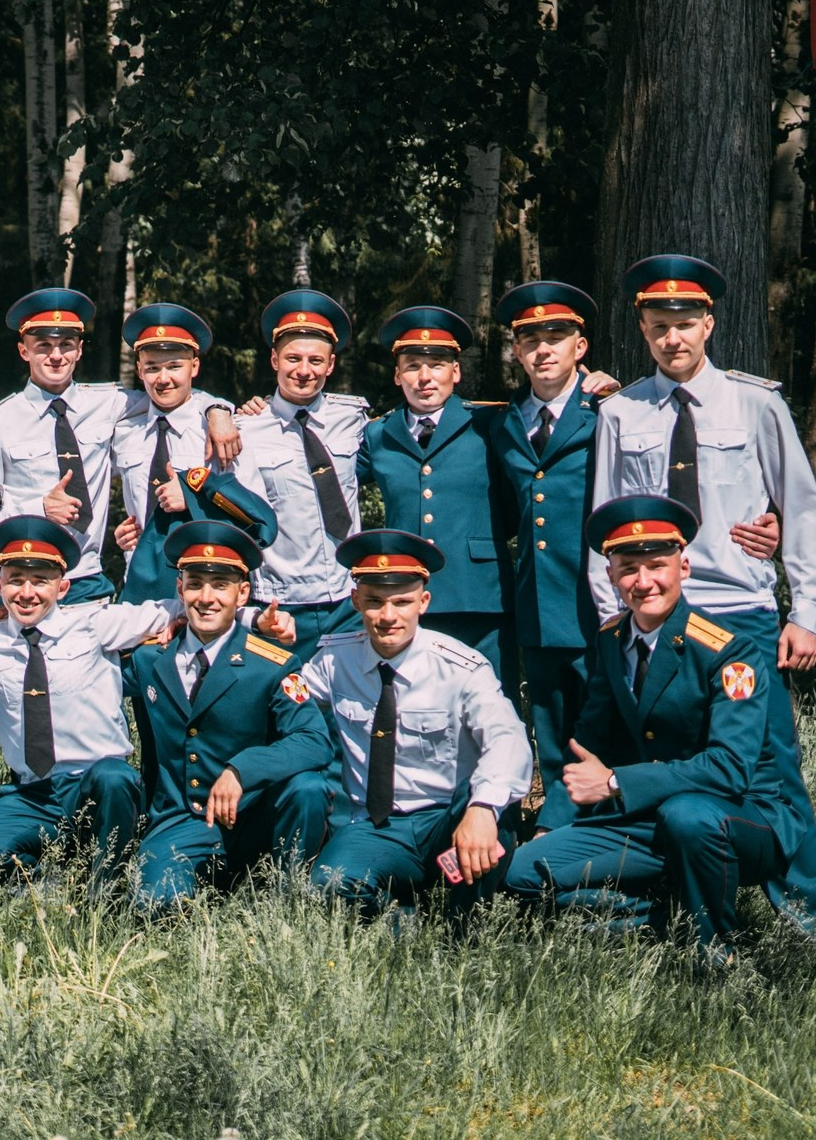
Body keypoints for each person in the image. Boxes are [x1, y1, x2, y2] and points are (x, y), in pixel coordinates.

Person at [585, 253, 816, 921]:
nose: (673, 338)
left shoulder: (755, 404)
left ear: (710, 323)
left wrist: (807, 611)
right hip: (655, 613)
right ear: (642, 328)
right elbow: (601, 521)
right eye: (659, 324)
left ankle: (811, 921)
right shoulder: (622, 413)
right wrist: (619, 620)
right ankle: (671, 901)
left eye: (686, 323)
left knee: (770, 767)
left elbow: (802, 508)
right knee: (663, 757)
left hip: (739, 611)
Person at [505, 497, 816, 960]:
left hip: (743, 816)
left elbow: (730, 769)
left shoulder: (729, 651)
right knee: (523, 873)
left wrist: (615, 782)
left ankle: (714, 953)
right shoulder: (612, 641)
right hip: (652, 814)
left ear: (685, 566)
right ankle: (666, 916)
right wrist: (550, 824)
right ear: (611, 575)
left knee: (688, 816)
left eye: (657, 565)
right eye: (629, 567)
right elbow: (588, 745)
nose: (643, 581)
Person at [297, 529, 532, 911]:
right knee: (329, 884)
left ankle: (461, 930)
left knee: (496, 825)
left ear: (423, 602)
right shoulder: (333, 661)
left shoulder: (460, 667)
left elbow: (508, 740)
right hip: (377, 828)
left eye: (402, 602)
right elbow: (284, 704)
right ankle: (403, 920)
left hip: (448, 821)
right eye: (374, 602)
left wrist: (483, 809)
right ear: (356, 600)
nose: (388, 617)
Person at [121, 521, 333, 910]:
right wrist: (7, 621)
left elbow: (315, 741)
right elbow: (77, 662)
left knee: (308, 789)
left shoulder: (272, 664)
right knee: (155, 908)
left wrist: (242, 770)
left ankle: (289, 897)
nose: (207, 597)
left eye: (221, 585)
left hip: (255, 819)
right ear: (179, 588)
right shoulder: (150, 659)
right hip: (181, 819)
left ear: (243, 593)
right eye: (196, 582)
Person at [0, 519, 169, 884]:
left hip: (98, 787)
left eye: (40, 581)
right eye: (16, 579)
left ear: (63, 586)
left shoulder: (94, 624)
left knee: (115, 776)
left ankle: (106, 888)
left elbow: (180, 607)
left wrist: (255, 618)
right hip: (34, 792)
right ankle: (49, 888)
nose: (27, 592)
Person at [480, 281, 611, 829]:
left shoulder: (611, 407)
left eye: (557, 335)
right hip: (539, 602)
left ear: (580, 347)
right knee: (552, 730)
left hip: (603, 599)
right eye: (529, 338)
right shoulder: (502, 422)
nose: (543, 349)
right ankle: (558, 831)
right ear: (516, 351)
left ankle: (610, 827)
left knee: (607, 726)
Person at [356, 307, 515, 683]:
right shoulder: (377, 435)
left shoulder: (489, 423)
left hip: (479, 595)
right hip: (407, 598)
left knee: (492, 707)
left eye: (438, 364)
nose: (425, 377)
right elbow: (325, 480)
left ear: (455, 372)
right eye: (412, 365)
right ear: (397, 375)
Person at [0, 289, 131, 606]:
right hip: (22, 581)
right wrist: (38, 510)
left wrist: (215, 410)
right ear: (24, 351)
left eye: (66, 345)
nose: (55, 356)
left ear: (80, 350)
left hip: (85, 580)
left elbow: (174, 398)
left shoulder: (110, 404)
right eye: (43, 346)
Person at [228, 289, 368, 650]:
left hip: (348, 598)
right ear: (274, 359)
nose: (304, 371)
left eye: (315, 361)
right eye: (293, 358)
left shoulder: (354, 418)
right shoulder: (245, 430)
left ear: (331, 365)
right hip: (280, 602)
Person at [110, 305, 252, 604]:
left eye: (174, 366)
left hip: (204, 587)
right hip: (139, 584)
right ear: (139, 370)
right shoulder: (124, 430)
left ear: (194, 367)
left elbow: (251, 514)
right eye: (152, 367)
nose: (163, 379)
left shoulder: (222, 431)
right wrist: (123, 538)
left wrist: (192, 499)